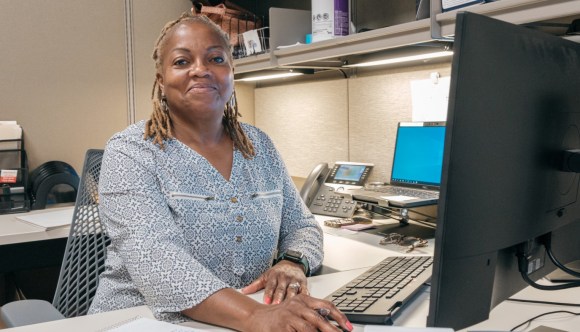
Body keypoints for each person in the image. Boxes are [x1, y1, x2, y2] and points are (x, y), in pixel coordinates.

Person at [88, 12, 353, 332]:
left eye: (215, 58)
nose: (200, 70)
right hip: (139, 321)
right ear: (161, 80)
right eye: (182, 62)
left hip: (240, 321)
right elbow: (158, 261)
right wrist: (258, 317)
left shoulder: (259, 146)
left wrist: (293, 261)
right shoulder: (131, 152)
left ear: (230, 71)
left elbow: (303, 226)